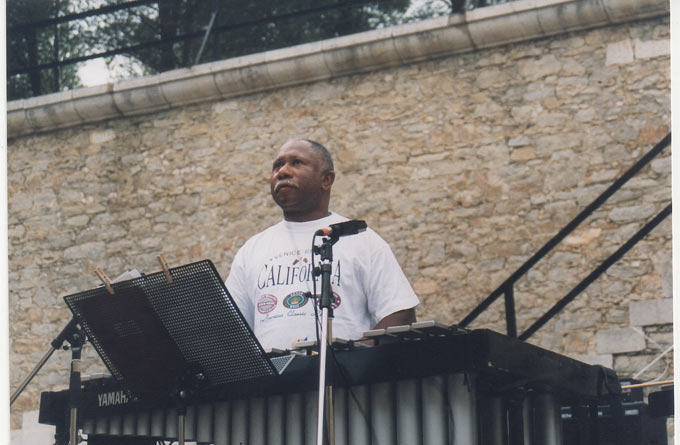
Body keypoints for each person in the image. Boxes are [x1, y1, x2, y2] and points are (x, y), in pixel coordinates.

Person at [226, 138, 419, 351]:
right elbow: (229, 329)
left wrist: (354, 359)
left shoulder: (361, 239)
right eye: (277, 166)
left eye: (296, 163)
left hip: (342, 380)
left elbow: (400, 313)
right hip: (273, 382)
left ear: (326, 180)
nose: (283, 172)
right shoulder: (252, 250)